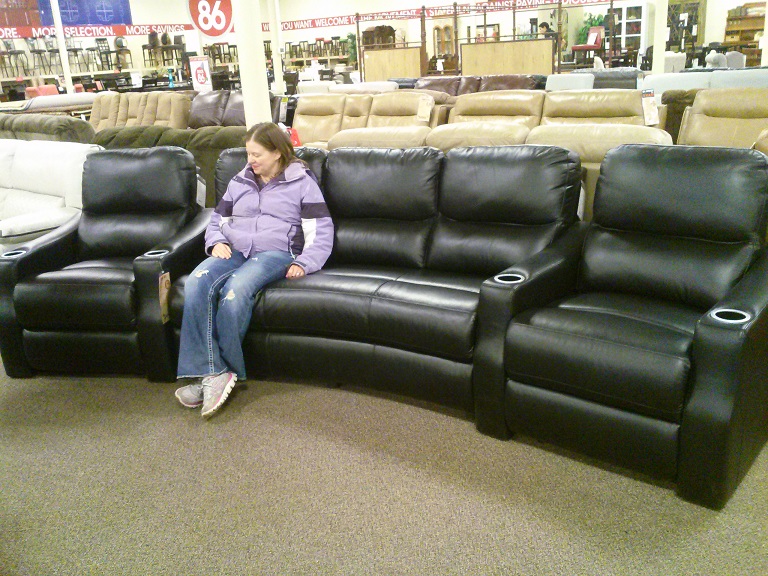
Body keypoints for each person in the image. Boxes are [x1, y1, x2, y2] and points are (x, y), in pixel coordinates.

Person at [174, 122, 334, 418]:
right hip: (234, 247)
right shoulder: (240, 181)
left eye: (257, 154)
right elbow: (217, 219)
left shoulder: (302, 182)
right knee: (196, 282)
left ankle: (220, 371)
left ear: (277, 152)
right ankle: (213, 372)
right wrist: (216, 241)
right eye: (248, 153)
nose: (250, 160)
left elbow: (321, 230)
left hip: (277, 252)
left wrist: (305, 262)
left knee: (235, 291)